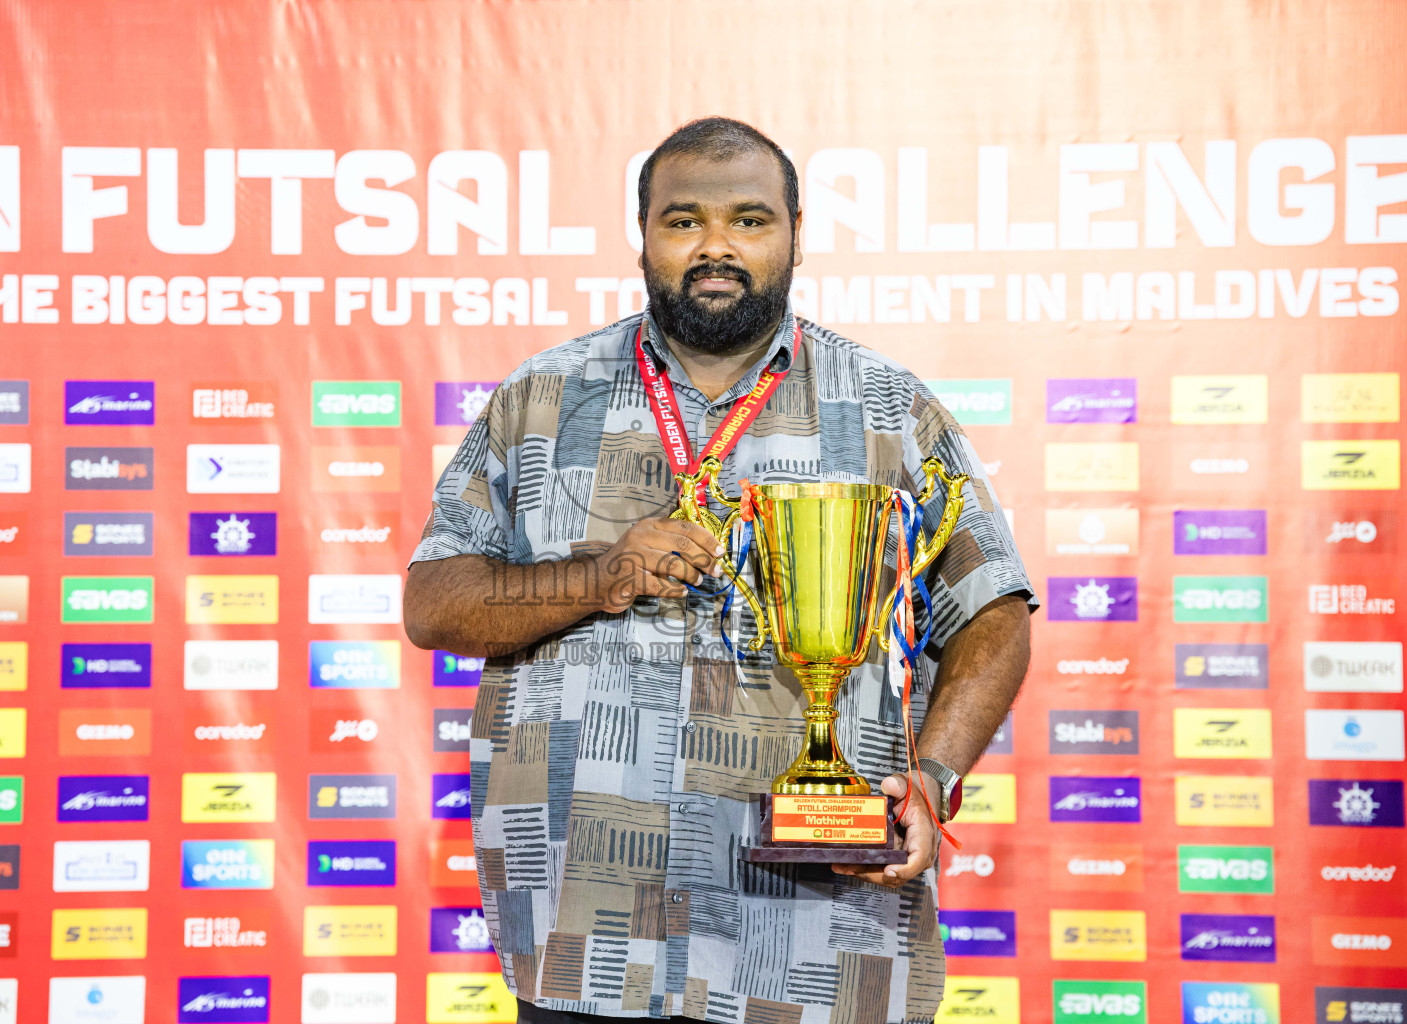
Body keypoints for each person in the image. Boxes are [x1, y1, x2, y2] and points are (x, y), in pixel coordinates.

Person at [404, 117, 1034, 1024]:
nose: (714, 246)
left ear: (795, 236)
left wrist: (929, 780)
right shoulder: (541, 399)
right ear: (642, 236)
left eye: (748, 220)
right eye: (682, 220)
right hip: (587, 929)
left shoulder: (888, 408)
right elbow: (435, 604)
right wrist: (603, 576)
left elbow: (993, 611)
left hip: (822, 934)